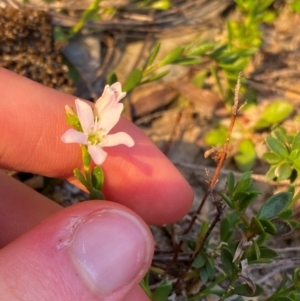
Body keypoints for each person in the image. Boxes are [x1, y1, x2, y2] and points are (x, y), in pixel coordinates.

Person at [0, 67, 194, 301]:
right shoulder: (84, 135)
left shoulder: (94, 138)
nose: (94, 138)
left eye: (94, 138)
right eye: (92, 138)